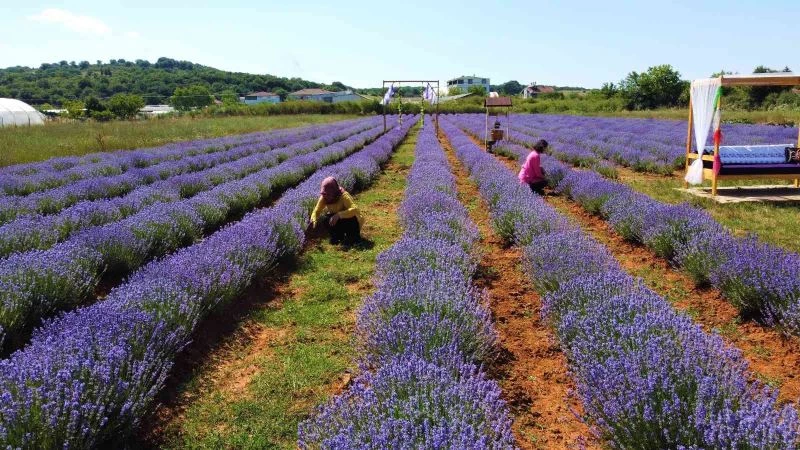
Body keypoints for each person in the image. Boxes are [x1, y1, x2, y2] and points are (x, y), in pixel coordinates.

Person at [311, 177, 364, 245]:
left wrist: (338, 215)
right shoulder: (324, 197)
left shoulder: (344, 196)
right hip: (339, 219)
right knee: (326, 219)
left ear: (334, 192)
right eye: (324, 194)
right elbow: (316, 210)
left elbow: (355, 210)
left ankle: (354, 238)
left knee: (351, 220)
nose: (326, 196)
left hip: (353, 220)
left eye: (328, 194)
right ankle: (338, 237)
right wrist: (313, 219)